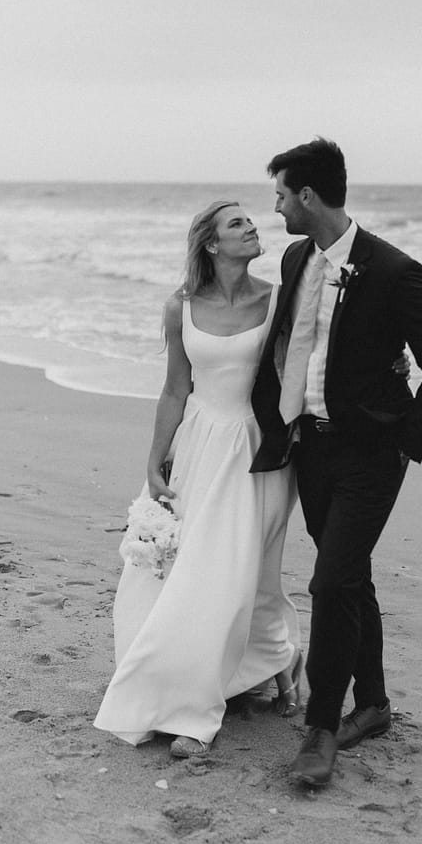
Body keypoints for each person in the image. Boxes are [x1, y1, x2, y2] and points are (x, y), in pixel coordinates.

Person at [250, 138, 422, 786]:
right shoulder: (295, 258)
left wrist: (405, 438)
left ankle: (321, 729)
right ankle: (371, 704)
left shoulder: (394, 271)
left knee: (328, 582)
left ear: (307, 196)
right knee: (349, 579)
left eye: (282, 194)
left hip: (371, 456)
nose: (278, 205)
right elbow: (289, 344)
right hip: (310, 449)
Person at [94, 200, 303, 757]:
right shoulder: (179, 308)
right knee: (185, 573)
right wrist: (153, 461)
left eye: (250, 220)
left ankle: (199, 704)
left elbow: (304, 371)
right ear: (211, 244)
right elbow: (174, 389)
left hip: (257, 454)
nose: (253, 226)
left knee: (239, 575)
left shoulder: (279, 299)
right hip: (196, 448)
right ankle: (242, 668)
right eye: (237, 223)